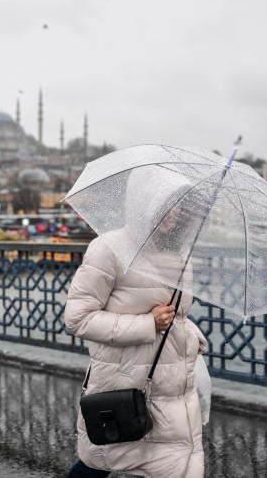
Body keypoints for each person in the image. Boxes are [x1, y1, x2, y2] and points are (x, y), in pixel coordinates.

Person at [64, 169, 207, 478]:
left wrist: (191, 334)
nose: (175, 216)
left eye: (180, 207)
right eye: (165, 207)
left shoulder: (181, 254)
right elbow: (78, 318)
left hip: (174, 385)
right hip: (124, 381)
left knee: (181, 464)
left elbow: (177, 314)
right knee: (102, 459)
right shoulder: (108, 249)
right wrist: (147, 325)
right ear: (144, 205)